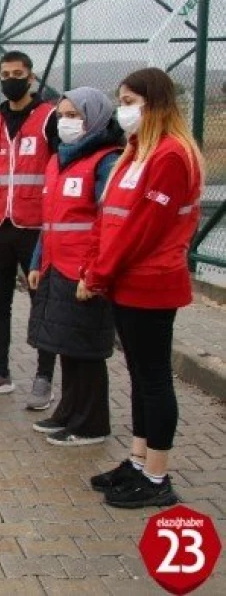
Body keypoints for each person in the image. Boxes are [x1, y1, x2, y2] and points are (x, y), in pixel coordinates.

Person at [82, 68, 203, 509]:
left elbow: (143, 230)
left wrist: (101, 273)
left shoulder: (171, 156)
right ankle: (137, 461)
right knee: (137, 375)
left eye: (130, 101)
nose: (123, 109)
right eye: (121, 100)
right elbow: (109, 216)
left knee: (153, 379)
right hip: (125, 282)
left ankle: (157, 475)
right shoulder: (135, 152)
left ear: (154, 104)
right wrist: (95, 263)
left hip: (150, 284)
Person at [26, 87, 123, 446]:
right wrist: (38, 261)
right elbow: (49, 219)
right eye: (62, 115)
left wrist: (94, 272)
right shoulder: (58, 159)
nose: (65, 123)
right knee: (66, 345)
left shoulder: (106, 161)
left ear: (95, 118)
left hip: (83, 271)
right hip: (55, 267)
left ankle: (91, 424)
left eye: (74, 116)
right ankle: (68, 412)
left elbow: (109, 221)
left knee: (86, 349)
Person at [0, 51, 59, 403]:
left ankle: (44, 376)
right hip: (0, 224)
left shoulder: (49, 118)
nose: (11, 79)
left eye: (17, 73)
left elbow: (57, 171)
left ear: (31, 77)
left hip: (36, 226)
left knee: (42, 303)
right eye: (5, 73)